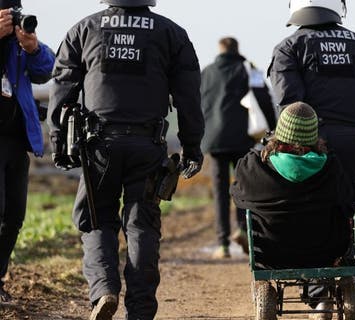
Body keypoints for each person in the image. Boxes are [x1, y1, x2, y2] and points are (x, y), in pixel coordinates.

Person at [47, 0, 204, 319]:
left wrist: (58, 142)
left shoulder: (84, 29)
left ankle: (104, 289)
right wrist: (191, 146)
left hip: (98, 146)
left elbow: (62, 87)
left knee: (96, 218)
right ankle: (141, 310)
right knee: (141, 224)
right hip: (148, 144)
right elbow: (189, 97)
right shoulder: (171, 33)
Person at [268, 0, 355, 225]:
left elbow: (290, 106)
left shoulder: (288, 47)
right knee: (354, 208)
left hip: (305, 145)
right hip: (351, 142)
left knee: (306, 208)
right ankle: (351, 255)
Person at [230, 102, 352, 271]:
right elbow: (348, 204)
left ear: (279, 131)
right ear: (314, 134)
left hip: (270, 255)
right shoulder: (331, 168)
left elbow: (236, 195)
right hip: (323, 256)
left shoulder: (253, 167)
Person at [200, 37, 276, 259]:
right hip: (243, 138)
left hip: (214, 140)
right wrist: (272, 131)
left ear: (220, 50)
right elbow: (263, 98)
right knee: (244, 186)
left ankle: (223, 244)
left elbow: (197, 102)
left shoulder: (207, 72)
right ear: (237, 49)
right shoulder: (248, 69)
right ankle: (242, 229)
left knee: (220, 191)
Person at [0, 0, 54, 303]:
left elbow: (48, 68)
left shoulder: (19, 46)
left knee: (13, 215)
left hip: (16, 140)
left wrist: (32, 46)